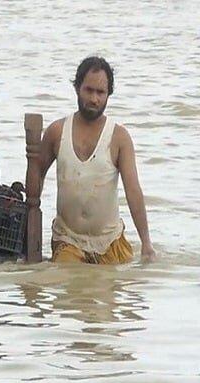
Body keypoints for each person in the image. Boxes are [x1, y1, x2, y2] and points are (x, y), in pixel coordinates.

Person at [38, 56, 156, 264]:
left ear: (109, 94)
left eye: (100, 92)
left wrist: (146, 243)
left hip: (110, 242)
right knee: (69, 285)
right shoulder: (57, 132)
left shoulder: (119, 137)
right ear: (77, 88)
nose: (94, 99)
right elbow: (36, 177)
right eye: (89, 90)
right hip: (68, 240)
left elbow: (133, 190)